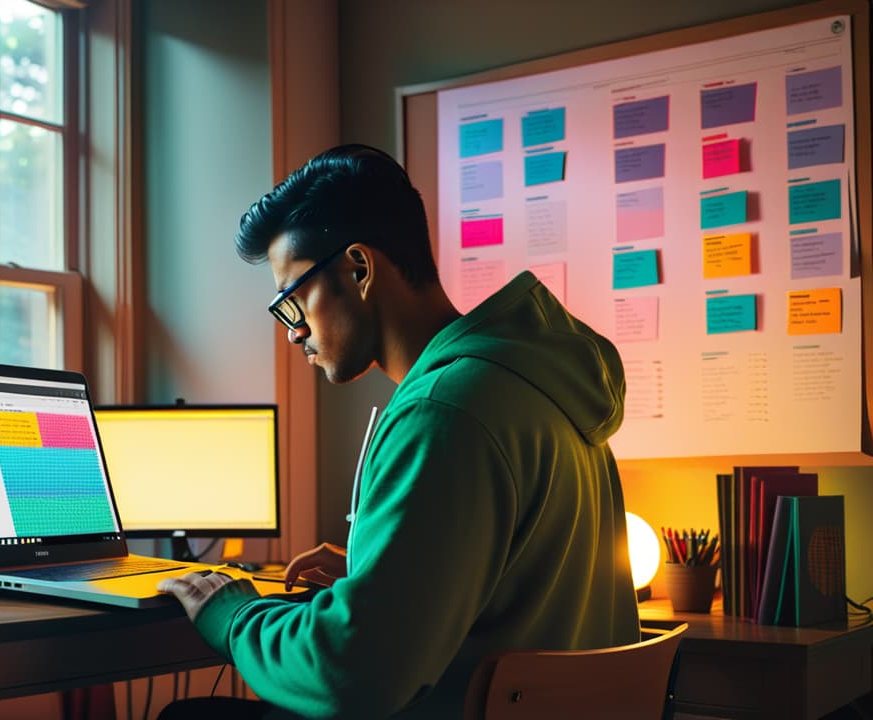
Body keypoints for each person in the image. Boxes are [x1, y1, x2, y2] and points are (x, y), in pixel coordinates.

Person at [157, 144, 640, 719]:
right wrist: (380, 572)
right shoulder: (538, 386)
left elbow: (354, 672)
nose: (293, 334)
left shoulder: (443, 412)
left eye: (292, 301)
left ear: (358, 270)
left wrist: (233, 617)